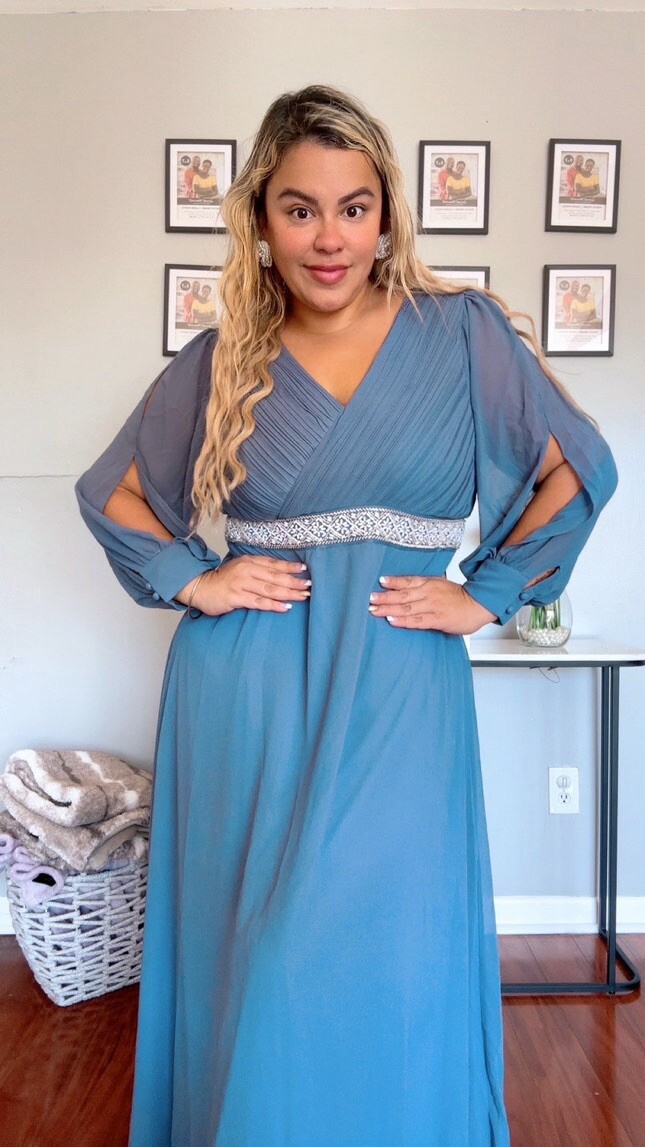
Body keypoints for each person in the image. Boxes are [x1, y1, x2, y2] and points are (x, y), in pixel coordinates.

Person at [76, 85, 617, 1146]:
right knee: (262, 955)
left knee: (385, 950)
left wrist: (486, 592)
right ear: (261, 220)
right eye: (300, 209)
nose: (329, 238)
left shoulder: (461, 334)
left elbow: (577, 469)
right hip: (249, 689)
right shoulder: (223, 357)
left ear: (385, 216)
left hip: (401, 682)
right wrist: (198, 578)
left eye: (353, 207)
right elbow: (113, 492)